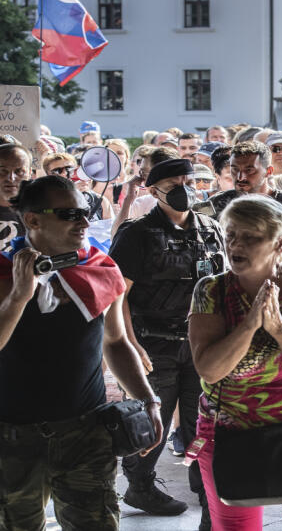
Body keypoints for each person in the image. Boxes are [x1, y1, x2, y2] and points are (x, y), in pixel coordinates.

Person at [0, 175, 163, 531]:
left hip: (85, 431)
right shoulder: (2, 270)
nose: (85, 221)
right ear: (33, 220)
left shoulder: (101, 268)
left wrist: (148, 400)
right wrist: (17, 297)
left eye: (85, 211)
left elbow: (117, 342)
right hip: (11, 434)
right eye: (70, 214)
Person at [187, 195, 282, 530]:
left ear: (281, 241)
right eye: (230, 235)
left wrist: (279, 328)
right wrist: (248, 326)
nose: (236, 245)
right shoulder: (210, 290)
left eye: (250, 237)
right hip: (229, 429)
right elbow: (210, 369)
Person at [109, 158, 225, 522]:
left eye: (189, 180)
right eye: (174, 181)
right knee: (149, 422)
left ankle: (206, 489)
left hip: (200, 343)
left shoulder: (210, 227)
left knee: (201, 421)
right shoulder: (137, 233)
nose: (184, 187)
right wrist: (130, 343)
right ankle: (140, 486)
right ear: (154, 189)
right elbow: (118, 295)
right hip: (153, 342)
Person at [199, 141, 282, 270]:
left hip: (277, 284)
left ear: (269, 171)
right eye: (234, 169)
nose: (240, 177)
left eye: (249, 170)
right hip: (231, 284)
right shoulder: (216, 204)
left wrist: (270, 238)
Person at [0, 144, 30, 252]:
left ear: (30, 173)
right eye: (3, 171)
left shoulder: (43, 213)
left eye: (19, 171)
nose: (11, 178)